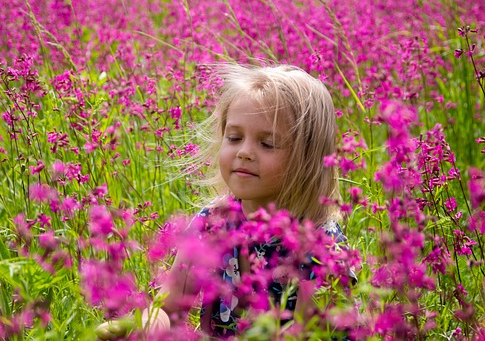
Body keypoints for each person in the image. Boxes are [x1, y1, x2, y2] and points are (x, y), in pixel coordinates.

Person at [97, 64, 355, 340]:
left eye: (267, 144)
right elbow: (169, 307)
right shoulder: (213, 223)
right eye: (234, 138)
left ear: (307, 160)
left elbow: (309, 333)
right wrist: (142, 324)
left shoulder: (321, 247)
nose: (244, 152)